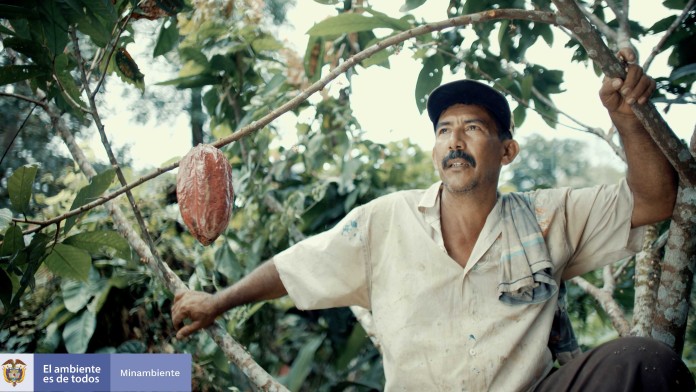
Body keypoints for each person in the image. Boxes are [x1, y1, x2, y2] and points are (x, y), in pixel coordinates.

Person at [172, 49, 694, 391]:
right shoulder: (385, 221)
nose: (456, 141)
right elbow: (295, 268)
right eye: (445, 130)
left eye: (474, 128)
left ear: (506, 150)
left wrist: (626, 117)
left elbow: (652, 202)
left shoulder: (544, 216)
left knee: (645, 362)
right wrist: (218, 302)